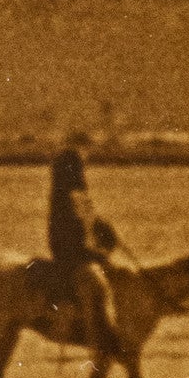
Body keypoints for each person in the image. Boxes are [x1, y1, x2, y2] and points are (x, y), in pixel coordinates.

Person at [45, 146, 126, 359]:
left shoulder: (79, 196)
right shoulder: (64, 198)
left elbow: (92, 220)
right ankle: (97, 337)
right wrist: (91, 253)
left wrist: (106, 231)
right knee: (95, 283)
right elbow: (70, 232)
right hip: (70, 255)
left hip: (82, 252)